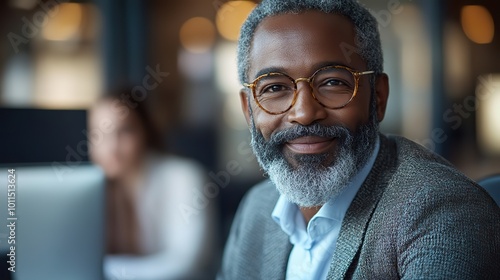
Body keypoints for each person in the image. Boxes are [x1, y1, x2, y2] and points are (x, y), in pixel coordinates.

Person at [218, 0, 500, 279]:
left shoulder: (441, 210)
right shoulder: (257, 207)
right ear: (248, 109)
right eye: (275, 87)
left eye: (333, 82)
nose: (304, 113)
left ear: (378, 96)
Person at [88, 89, 216, 280]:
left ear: (144, 132)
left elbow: (187, 263)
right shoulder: (89, 191)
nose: (111, 147)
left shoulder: (183, 176)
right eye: (98, 135)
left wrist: (105, 270)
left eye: (124, 131)